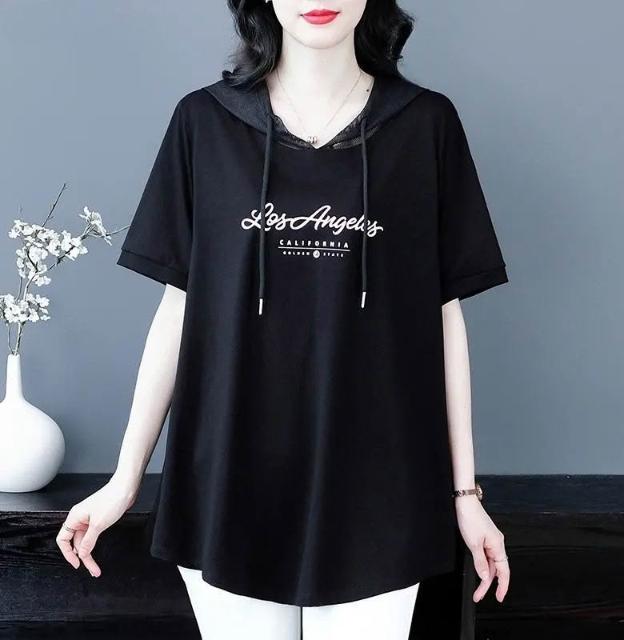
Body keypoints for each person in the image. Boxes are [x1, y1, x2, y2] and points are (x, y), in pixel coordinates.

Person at [56, 1, 511, 638]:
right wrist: (124, 481)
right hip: (229, 470)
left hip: (379, 478)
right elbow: (179, 309)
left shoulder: (426, 123)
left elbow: (445, 317)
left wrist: (466, 495)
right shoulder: (204, 122)